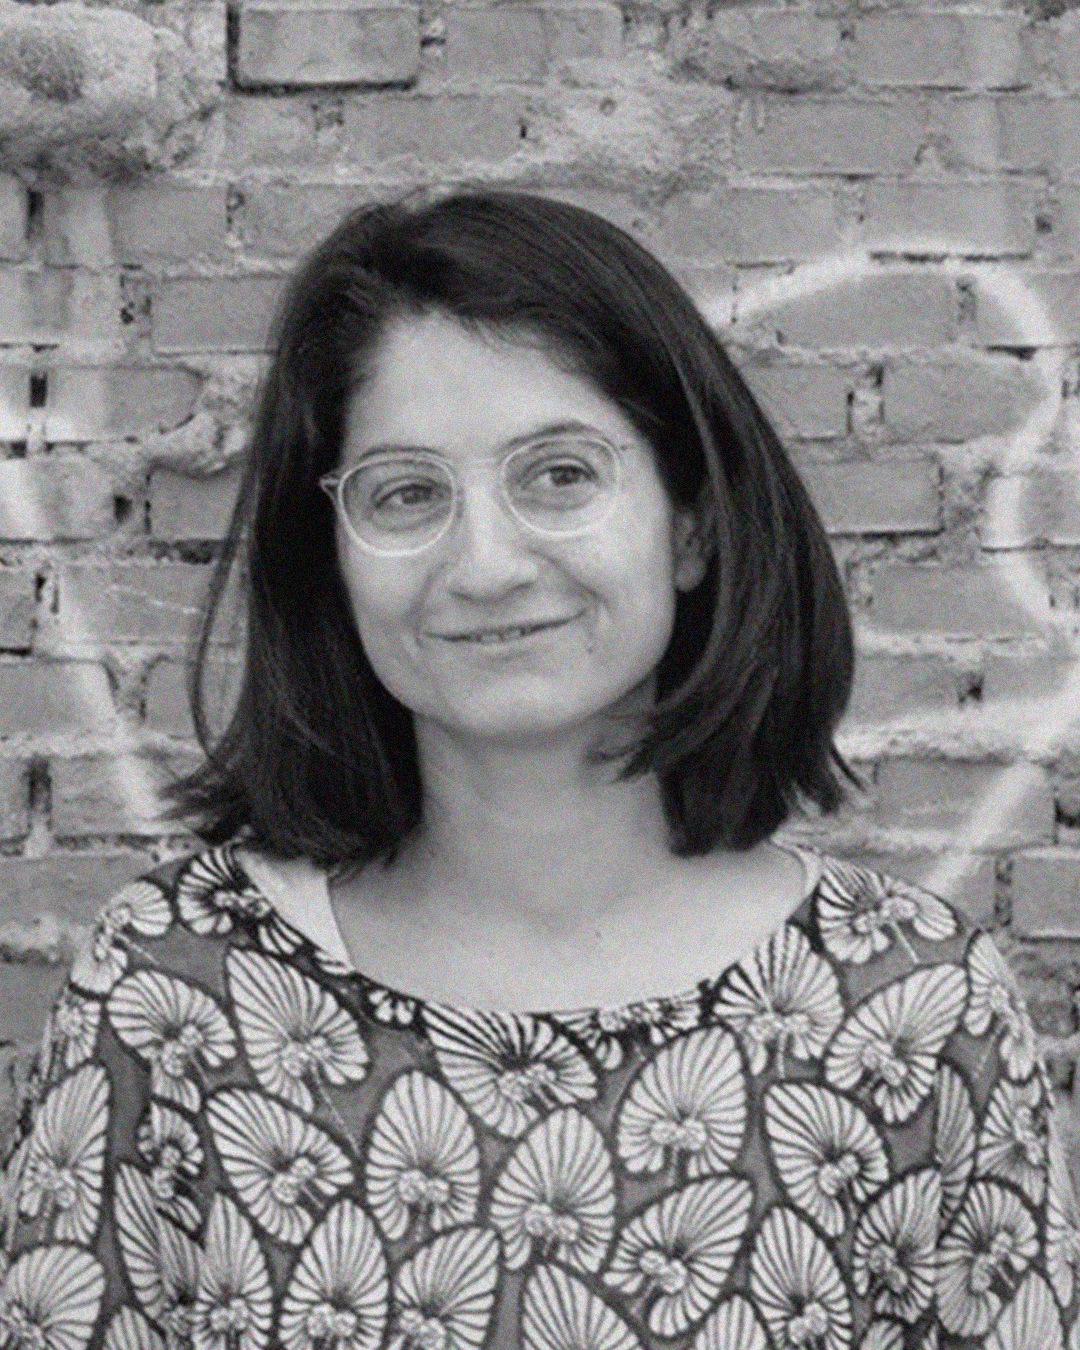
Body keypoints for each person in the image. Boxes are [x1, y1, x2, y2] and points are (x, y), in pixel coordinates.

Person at [1, 190, 1076, 1350]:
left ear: (693, 524)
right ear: (335, 560)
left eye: (559, 474)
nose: (486, 564)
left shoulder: (913, 1011)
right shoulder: (174, 997)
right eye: (406, 493)